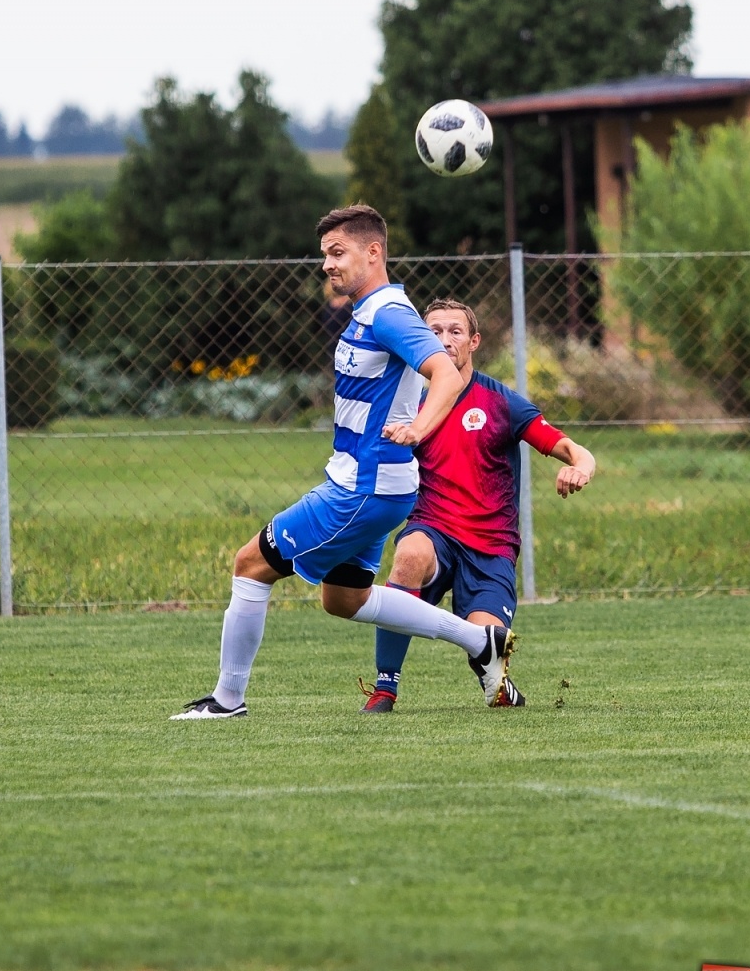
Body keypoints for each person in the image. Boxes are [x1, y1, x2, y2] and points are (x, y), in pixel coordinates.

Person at [171, 205, 517, 721]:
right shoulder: (369, 310)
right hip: (375, 487)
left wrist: (418, 429)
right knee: (343, 598)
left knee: (250, 565)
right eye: (324, 256)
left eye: (338, 253)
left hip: (363, 488)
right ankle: (477, 640)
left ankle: (227, 701)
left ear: (373, 252)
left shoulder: (390, 314)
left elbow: (444, 373)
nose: (327, 265)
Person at [360, 299, 596, 712]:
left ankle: (498, 681)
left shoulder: (501, 402)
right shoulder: (407, 405)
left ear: (474, 342)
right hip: (433, 529)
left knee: (488, 639)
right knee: (409, 554)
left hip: (491, 548)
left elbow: (573, 449)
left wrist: (580, 468)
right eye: (433, 331)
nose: (444, 340)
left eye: (454, 331)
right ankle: (385, 689)